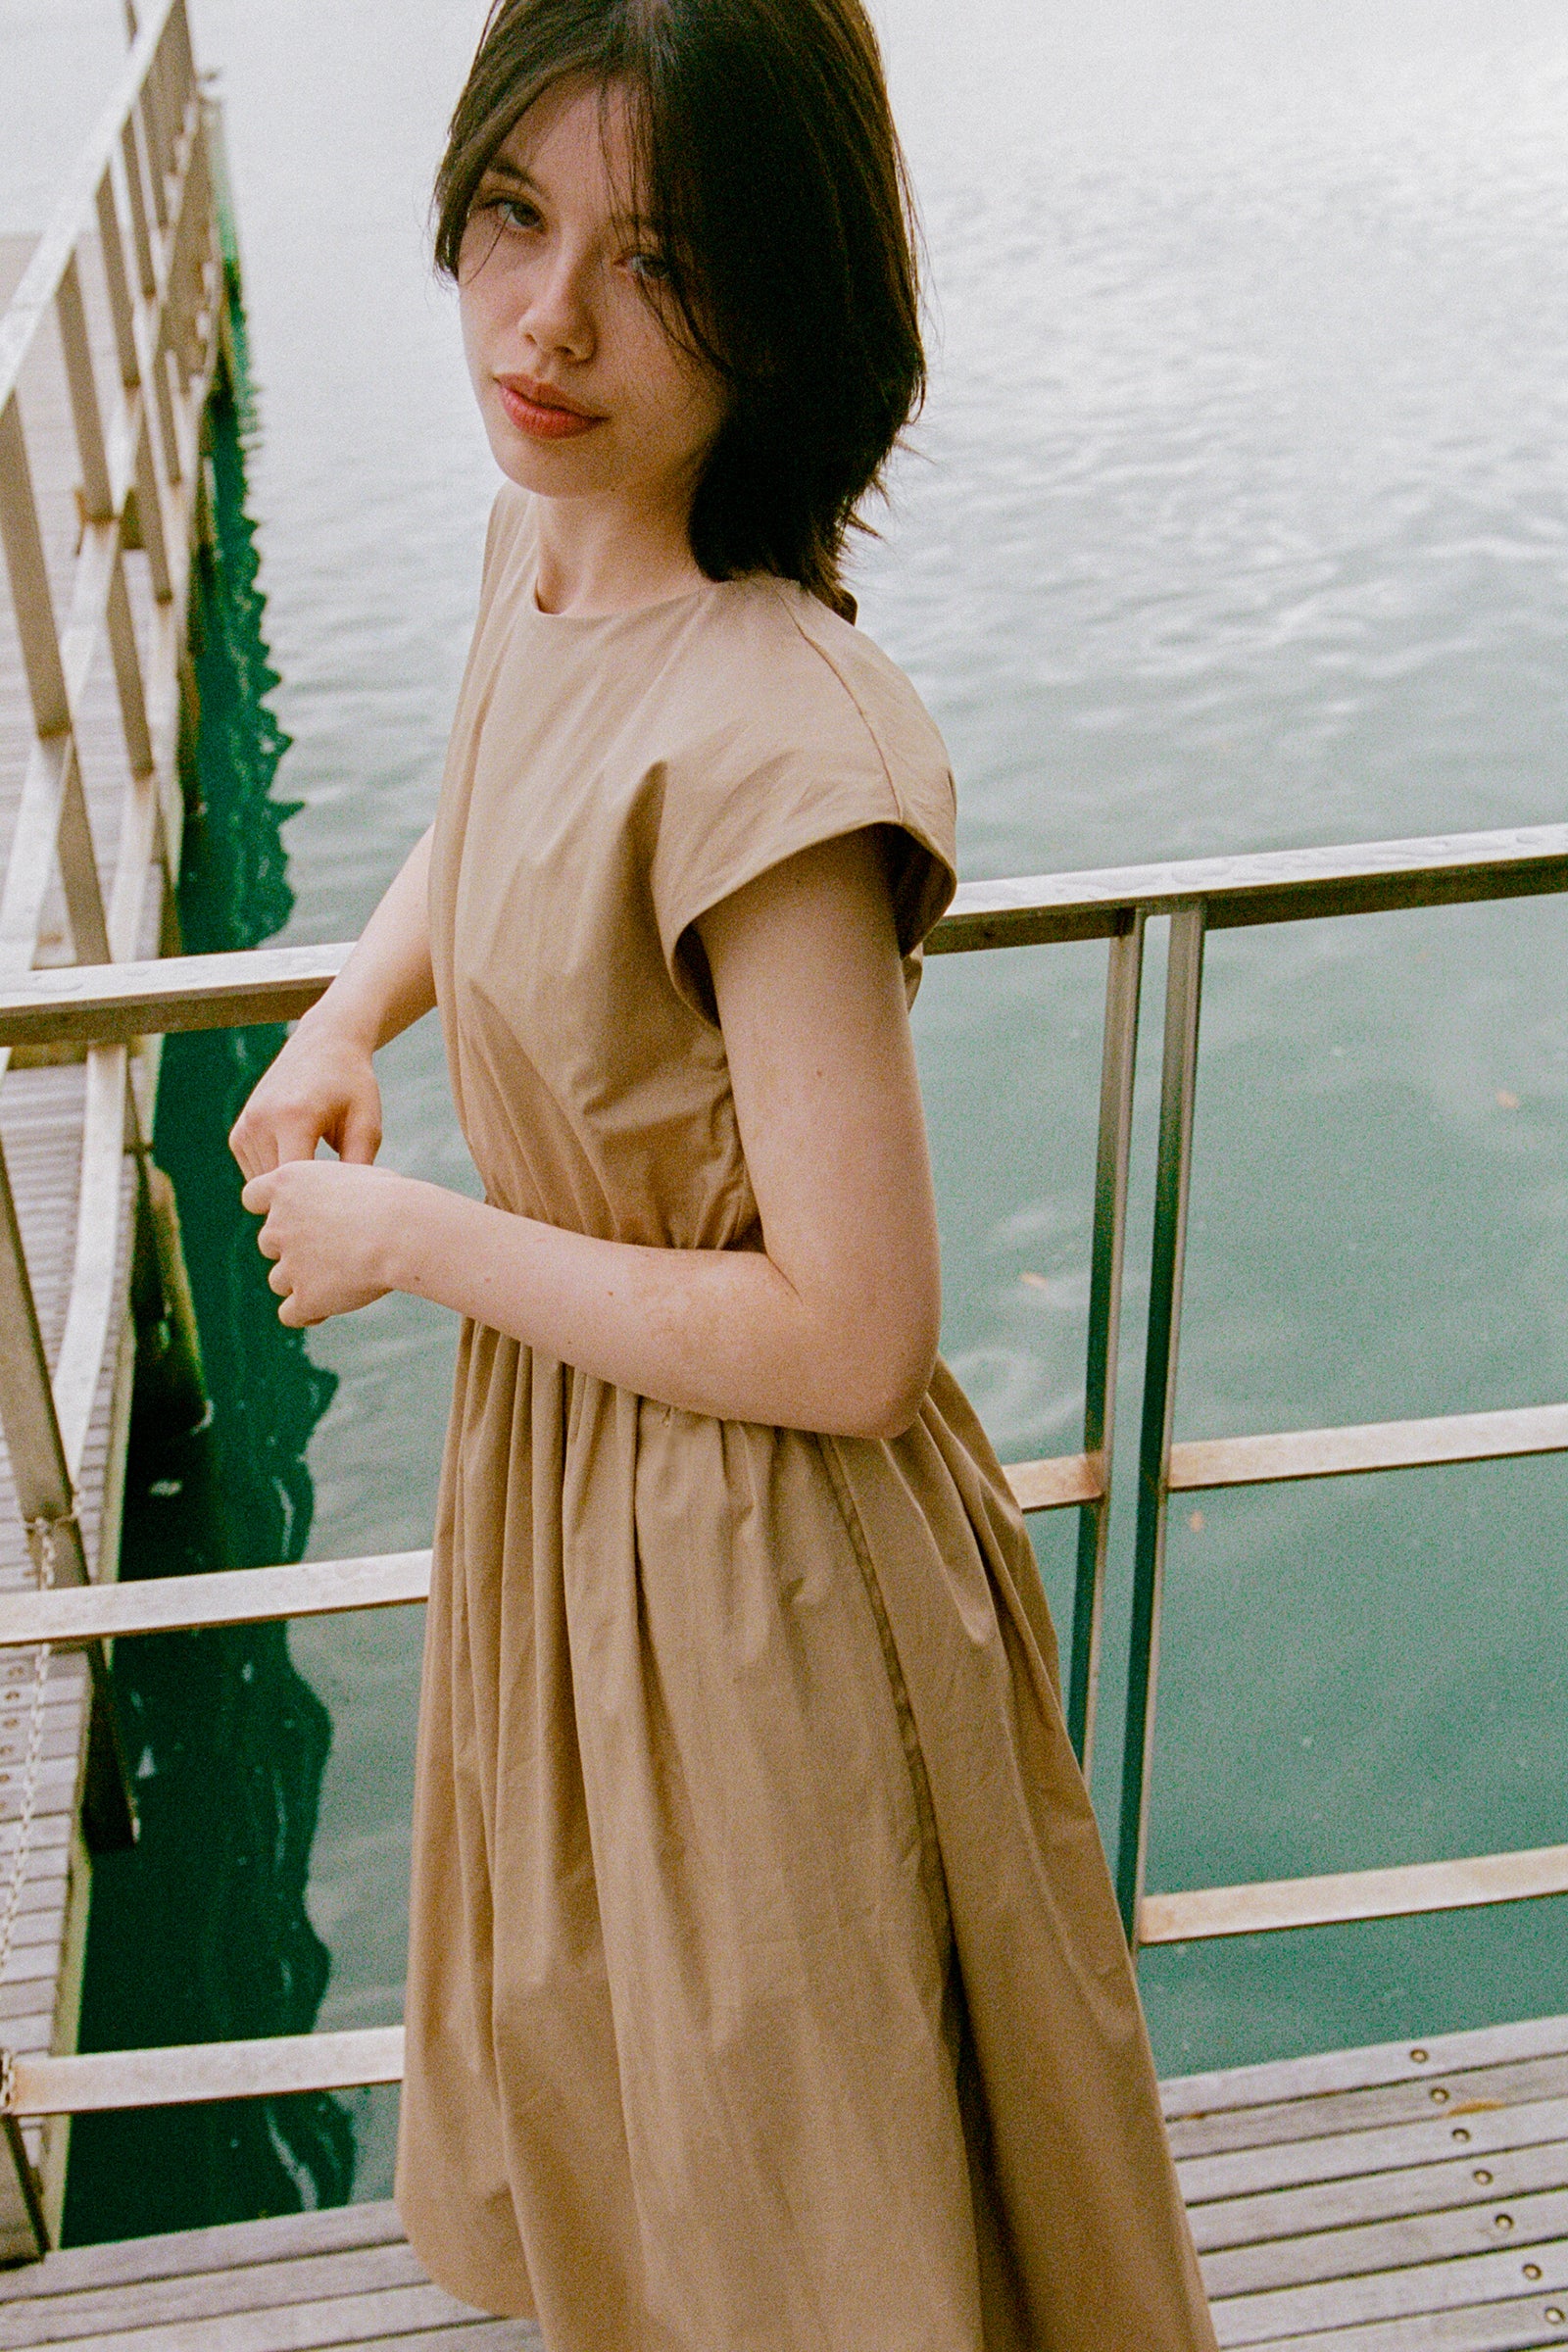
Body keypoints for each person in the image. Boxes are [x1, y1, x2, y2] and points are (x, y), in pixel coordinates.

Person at [230, 1, 1219, 2344]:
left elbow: (853, 1337)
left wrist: (413, 1236)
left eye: (654, 261)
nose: (545, 321)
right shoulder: (547, 545)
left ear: (782, 305)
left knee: (804, 2230)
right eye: (513, 217)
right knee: (651, 2185)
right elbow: (494, 799)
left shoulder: (771, 742)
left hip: (755, 1578)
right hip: (582, 1523)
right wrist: (349, 1012)